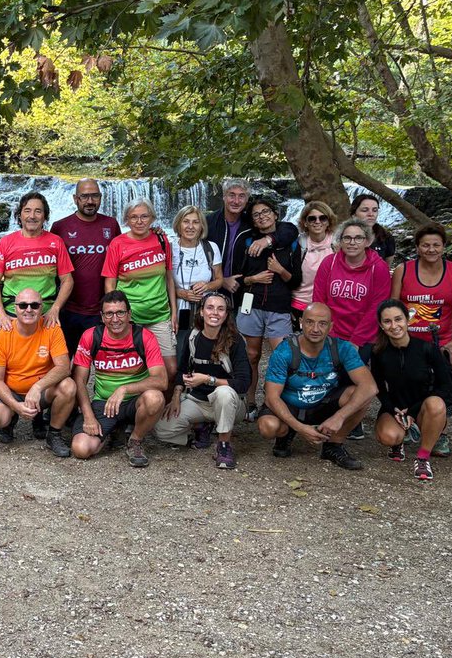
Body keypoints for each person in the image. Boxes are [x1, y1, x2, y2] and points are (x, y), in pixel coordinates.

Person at [255, 302, 376, 471]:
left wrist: (339, 417)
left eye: (322, 323)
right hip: (291, 406)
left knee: (360, 396)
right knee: (268, 427)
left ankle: (333, 445)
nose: (315, 328)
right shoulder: (285, 351)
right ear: (301, 322)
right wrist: (300, 428)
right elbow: (271, 396)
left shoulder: (342, 348)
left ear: (331, 326)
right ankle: (286, 433)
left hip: (323, 404)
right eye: (310, 322)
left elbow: (370, 387)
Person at [70, 290, 167, 467]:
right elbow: (79, 381)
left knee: (155, 398)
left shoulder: (144, 336)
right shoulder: (91, 336)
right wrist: (88, 415)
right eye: (109, 314)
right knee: (81, 449)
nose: (115, 319)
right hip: (104, 403)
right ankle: (112, 431)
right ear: (101, 316)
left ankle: (135, 440)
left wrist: (124, 389)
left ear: (129, 314)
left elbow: (161, 380)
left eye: (120, 312)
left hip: (135, 402)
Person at [154, 292, 250, 470]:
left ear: (227, 314)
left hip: (230, 403)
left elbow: (244, 383)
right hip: (198, 401)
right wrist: (176, 396)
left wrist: (208, 379)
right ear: (201, 312)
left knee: (224, 393)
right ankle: (202, 426)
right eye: (210, 308)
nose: (215, 313)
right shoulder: (193, 337)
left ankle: (223, 445)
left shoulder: (235, 341)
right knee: (162, 429)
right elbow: (182, 369)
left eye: (221, 309)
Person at [371, 301, 452, 481]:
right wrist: (392, 408)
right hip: (396, 407)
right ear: (381, 325)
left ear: (407, 320)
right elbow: (378, 386)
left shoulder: (427, 348)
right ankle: (399, 441)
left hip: (422, 408)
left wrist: (412, 411)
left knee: (436, 405)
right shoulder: (379, 351)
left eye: (398, 319)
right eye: (387, 321)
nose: (394, 326)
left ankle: (422, 456)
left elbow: (448, 388)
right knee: (388, 436)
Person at [0, 288, 76, 457]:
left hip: (40, 392)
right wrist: (15, 406)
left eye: (34, 305)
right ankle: (10, 419)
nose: (29, 310)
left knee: (69, 387)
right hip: (12, 390)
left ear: (42, 308)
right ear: (15, 308)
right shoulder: (2, 334)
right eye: (23, 305)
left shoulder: (52, 329)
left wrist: (37, 387)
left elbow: (63, 367)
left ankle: (54, 434)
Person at [231, 198, 300, 421]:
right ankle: (250, 402)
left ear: (275, 214)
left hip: (278, 306)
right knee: (251, 355)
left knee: (281, 357)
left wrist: (280, 270)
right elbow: (237, 278)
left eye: (266, 212)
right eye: (256, 214)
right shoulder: (246, 239)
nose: (262, 216)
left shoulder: (289, 237)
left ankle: (274, 402)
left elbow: (295, 281)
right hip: (251, 304)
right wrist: (254, 278)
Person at [101, 199, 176, 380]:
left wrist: (174, 312)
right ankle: (139, 406)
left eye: (144, 216)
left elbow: (168, 278)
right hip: (131, 318)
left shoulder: (161, 239)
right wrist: (116, 316)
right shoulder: (117, 244)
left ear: (152, 218)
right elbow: (110, 284)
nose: (139, 221)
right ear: (126, 220)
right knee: (136, 370)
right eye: (134, 217)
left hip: (160, 315)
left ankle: (164, 406)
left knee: (170, 370)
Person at [50, 178, 120, 355]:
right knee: (66, 361)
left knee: (103, 361)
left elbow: (125, 253)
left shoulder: (111, 225)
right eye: (85, 196)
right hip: (69, 309)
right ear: (75, 199)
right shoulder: (60, 227)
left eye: (94, 196)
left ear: (101, 197)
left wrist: (154, 232)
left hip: (101, 309)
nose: (90, 201)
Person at [0, 191, 73, 331]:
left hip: (46, 316)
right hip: (12, 314)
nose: (32, 216)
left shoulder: (56, 242)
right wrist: (0, 313)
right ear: (19, 215)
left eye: (38, 211)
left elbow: (67, 280)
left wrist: (55, 309)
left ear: (45, 216)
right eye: (27, 211)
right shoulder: (6, 242)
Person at [391, 223, 452, 363]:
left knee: (444, 384)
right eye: (425, 245)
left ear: (443, 246)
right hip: (406, 341)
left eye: (436, 245)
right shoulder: (402, 270)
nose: (431, 249)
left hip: (442, 343)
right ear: (417, 247)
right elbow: (392, 307)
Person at [313, 218, 391, 348]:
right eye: (347, 238)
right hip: (330, 333)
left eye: (358, 238)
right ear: (341, 241)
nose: (352, 243)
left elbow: (377, 307)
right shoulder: (329, 263)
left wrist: (356, 341)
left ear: (367, 241)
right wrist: (326, 332)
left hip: (363, 336)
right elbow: (319, 300)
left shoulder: (378, 268)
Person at [168, 205, 222, 335]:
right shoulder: (169, 248)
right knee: (178, 350)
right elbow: (162, 282)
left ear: (201, 226)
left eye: (196, 222)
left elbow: (219, 280)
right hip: (175, 309)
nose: (190, 226)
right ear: (178, 224)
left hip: (204, 309)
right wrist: (180, 293)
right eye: (186, 221)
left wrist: (207, 286)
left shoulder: (211, 248)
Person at [290, 201, 337, 330]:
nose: (317, 221)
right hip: (299, 304)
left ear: (328, 221)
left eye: (322, 218)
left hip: (327, 306)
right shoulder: (298, 243)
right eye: (312, 218)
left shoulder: (337, 244)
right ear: (305, 222)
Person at [207, 178, 253, 293]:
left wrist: (268, 239)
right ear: (224, 197)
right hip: (210, 289)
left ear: (247, 200)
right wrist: (222, 281)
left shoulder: (253, 224)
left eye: (241, 196)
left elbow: (288, 230)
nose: (236, 201)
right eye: (231, 195)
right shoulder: (208, 222)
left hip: (242, 289)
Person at [349, 194, 395, 267]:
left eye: (375, 210)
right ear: (354, 214)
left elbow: (385, 267)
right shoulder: (342, 236)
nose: (371, 214)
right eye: (365, 210)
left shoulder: (386, 237)